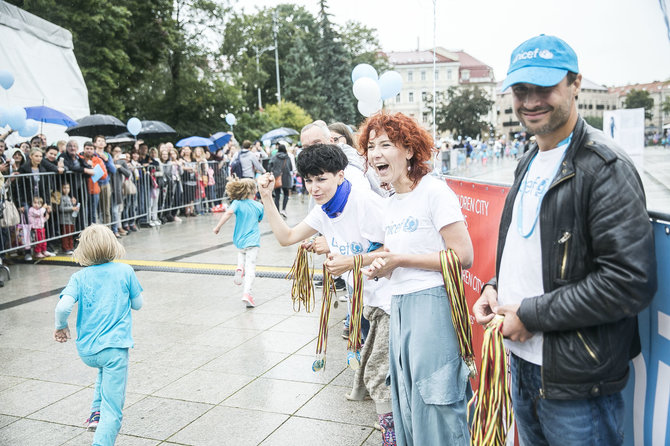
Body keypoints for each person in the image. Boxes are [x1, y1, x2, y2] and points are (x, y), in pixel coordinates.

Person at [471, 35, 657, 446]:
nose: (531, 101)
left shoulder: (605, 167)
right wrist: (495, 286)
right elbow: (529, 251)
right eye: (521, 90)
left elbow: (629, 282)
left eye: (545, 88)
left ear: (575, 83)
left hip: (577, 383)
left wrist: (532, 315)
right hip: (522, 364)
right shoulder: (528, 160)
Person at [257, 144, 396, 444]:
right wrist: (267, 197)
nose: (314, 187)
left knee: (376, 372)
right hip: (366, 303)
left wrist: (350, 261)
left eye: (321, 179)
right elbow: (287, 237)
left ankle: (393, 438)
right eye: (308, 180)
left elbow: (394, 248)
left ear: (340, 175)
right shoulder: (324, 211)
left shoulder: (364, 203)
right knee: (379, 372)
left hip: (391, 300)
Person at [360, 112, 474, 446]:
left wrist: (400, 259)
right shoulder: (392, 203)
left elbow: (463, 256)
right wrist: (384, 265)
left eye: (386, 144)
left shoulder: (434, 192)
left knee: (436, 402)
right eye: (371, 146)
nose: (376, 153)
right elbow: (400, 255)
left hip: (433, 305)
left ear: (409, 150)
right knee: (407, 401)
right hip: (401, 306)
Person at [54, 224, 143, 445]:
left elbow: (63, 307)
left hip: (88, 350)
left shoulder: (79, 277)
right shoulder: (125, 270)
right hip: (114, 347)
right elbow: (138, 304)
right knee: (113, 410)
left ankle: (95, 413)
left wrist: (61, 326)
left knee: (103, 371)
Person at [212, 178, 263, 308]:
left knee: (241, 252)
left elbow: (228, 213)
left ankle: (240, 267)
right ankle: (247, 293)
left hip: (239, 239)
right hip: (253, 240)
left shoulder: (237, 203)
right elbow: (258, 220)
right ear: (254, 191)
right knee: (251, 268)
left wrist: (218, 226)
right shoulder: (259, 206)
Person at [269, 143, 293, 218]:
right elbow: (291, 167)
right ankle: (283, 209)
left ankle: (277, 211)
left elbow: (269, 166)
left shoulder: (274, 157)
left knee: (277, 195)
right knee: (286, 194)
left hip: (277, 177)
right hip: (286, 177)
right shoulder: (287, 157)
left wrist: (273, 171)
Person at [58, 182, 79, 255]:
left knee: (70, 234)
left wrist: (74, 205)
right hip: (65, 220)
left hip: (71, 220)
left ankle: (71, 247)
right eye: (64, 188)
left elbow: (72, 208)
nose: (66, 190)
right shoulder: (62, 198)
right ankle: (66, 248)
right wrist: (72, 208)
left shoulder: (70, 197)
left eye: (68, 188)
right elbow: (61, 208)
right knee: (66, 235)